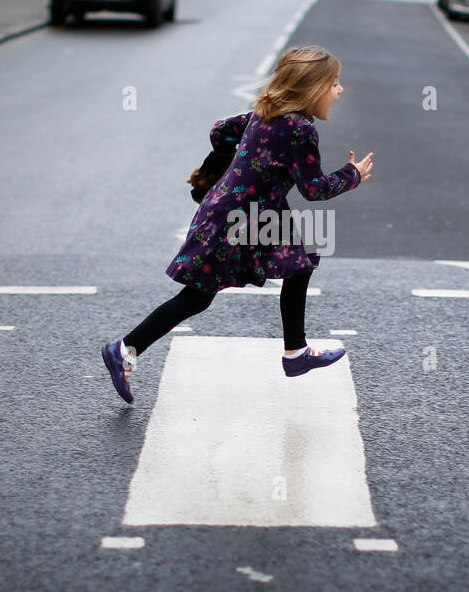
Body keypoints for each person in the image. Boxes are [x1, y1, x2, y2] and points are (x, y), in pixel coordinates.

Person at [102, 47, 374, 403]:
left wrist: (247, 164)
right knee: (197, 297)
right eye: (334, 83)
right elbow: (313, 189)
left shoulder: (266, 113)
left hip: (239, 214)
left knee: (302, 259)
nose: (340, 91)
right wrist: (351, 175)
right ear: (313, 87)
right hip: (237, 222)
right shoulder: (299, 129)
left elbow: (220, 132)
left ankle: (295, 354)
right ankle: (124, 349)